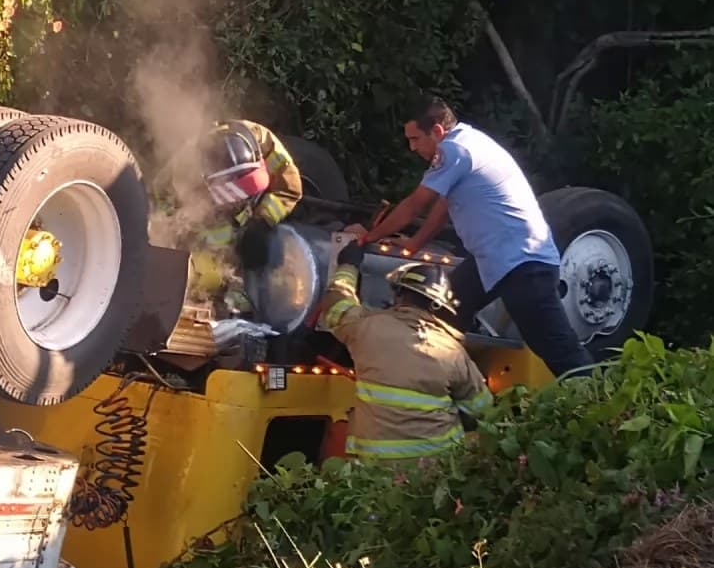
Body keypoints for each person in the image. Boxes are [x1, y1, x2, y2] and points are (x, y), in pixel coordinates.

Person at [354, 97, 593, 379]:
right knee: (441, 313)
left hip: (522, 262)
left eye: (416, 139)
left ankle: (601, 408)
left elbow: (414, 205)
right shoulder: (469, 143)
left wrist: (366, 237)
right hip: (494, 259)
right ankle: (433, 381)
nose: (412, 147)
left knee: (556, 346)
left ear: (438, 132)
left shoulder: (454, 150)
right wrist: (415, 243)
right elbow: (443, 206)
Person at [317, 239, 493, 462]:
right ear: (438, 306)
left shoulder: (367, 328)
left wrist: (347, 266)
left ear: (399, 294)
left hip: (374, 467)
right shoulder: (453, 351)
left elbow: (336, 307)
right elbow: (483, 409)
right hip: (436, 471)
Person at [189, 119, 303, 314]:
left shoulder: (265, 144)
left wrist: (262, 221)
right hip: (210, 213)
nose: (242, 203)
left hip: (259, 205)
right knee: (211, 255)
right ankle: (230, 286)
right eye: (236, 199)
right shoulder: (182, 175)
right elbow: (164, 214)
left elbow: (290, 188)